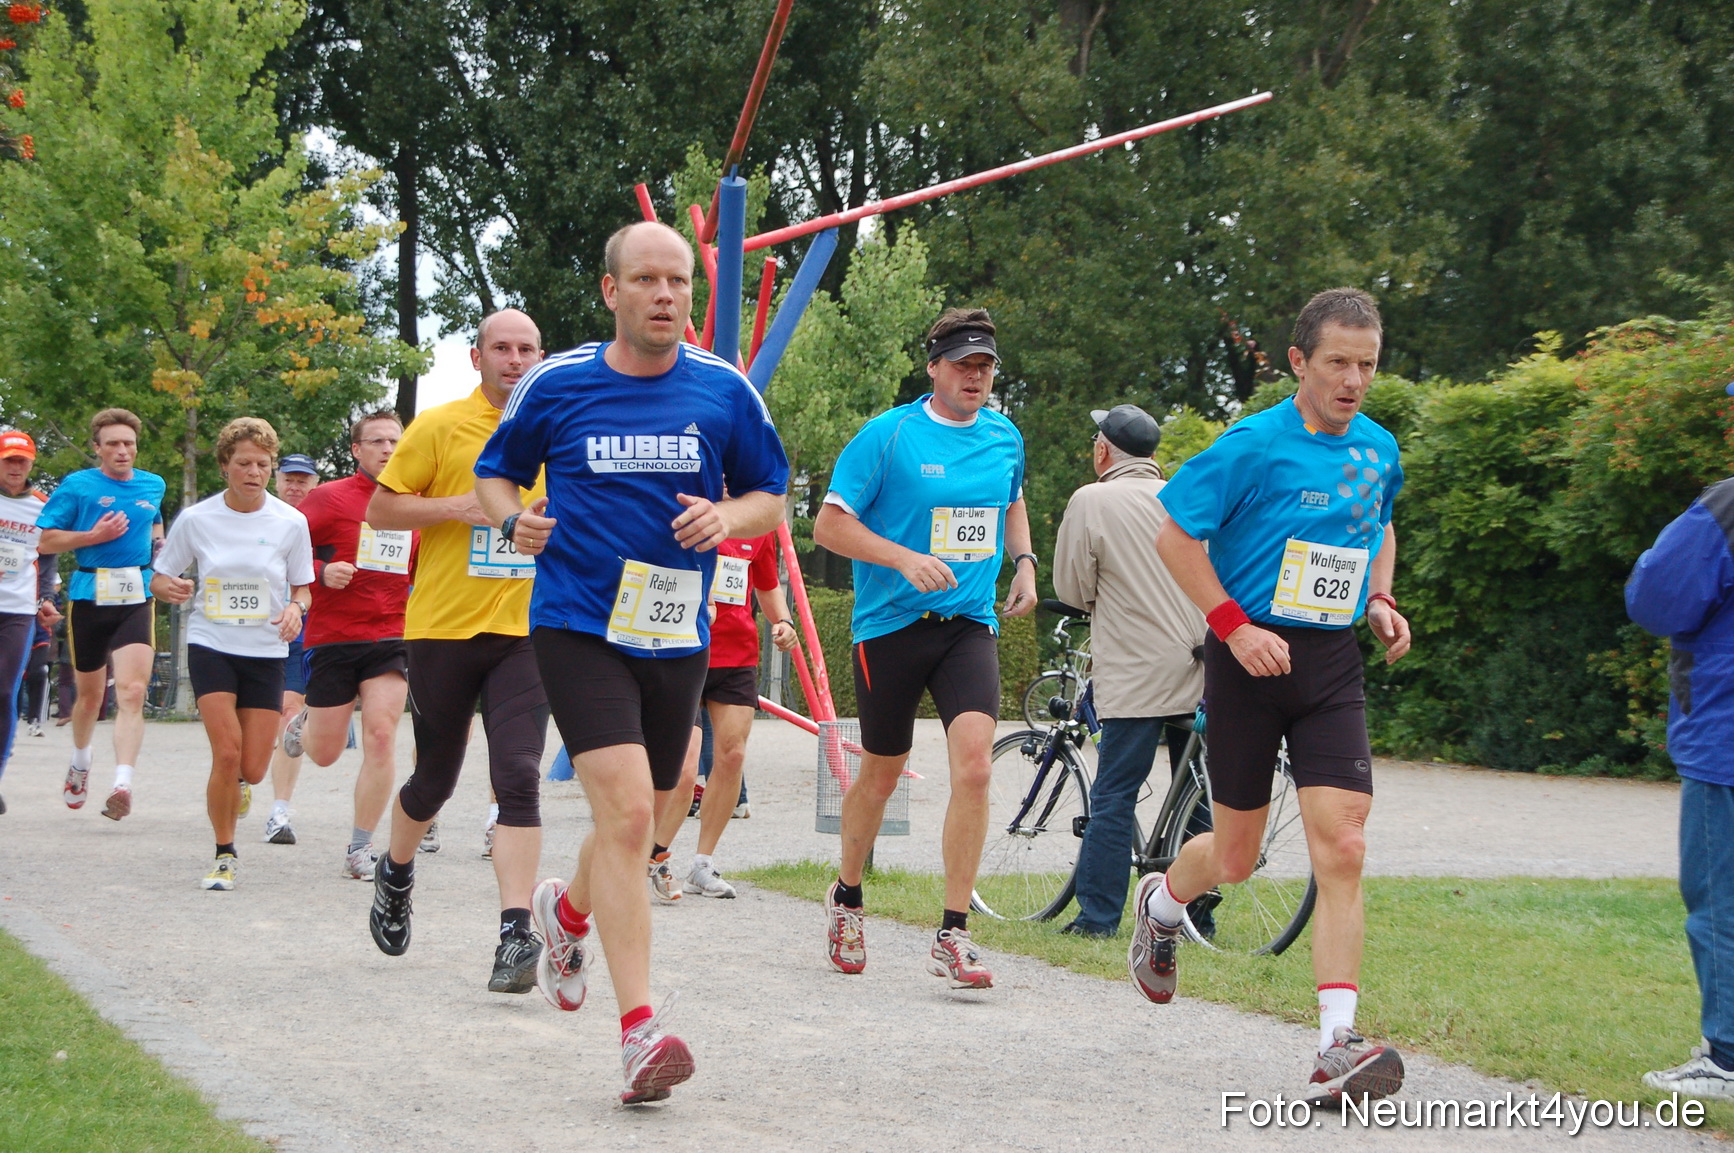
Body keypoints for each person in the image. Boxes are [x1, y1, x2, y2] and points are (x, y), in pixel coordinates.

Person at [475, 220, 788, 1104]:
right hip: (578, 626)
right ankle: (639, 1029)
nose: (665, 295)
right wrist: (512, 519)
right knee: (619, 812)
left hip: (676, 631)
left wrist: (729, 519)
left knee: (651, 818)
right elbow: (498, 472)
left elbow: (773, 492)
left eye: (679, 281)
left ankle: (563, 914)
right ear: (610, 291)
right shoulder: (558, 383)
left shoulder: (724, 392)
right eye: (646, 279)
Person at [1128, 288, 1410, 1105]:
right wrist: (1234, 625)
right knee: (1238, 857)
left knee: (1344, 843)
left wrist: (1384, 598)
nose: (1354, 380)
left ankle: (1336, 1044)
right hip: (1247, 659)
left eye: (1367, 364)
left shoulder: (1378, 448)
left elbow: (1378, 521)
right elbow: (1174, 534)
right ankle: (1163, 901)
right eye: (1338, 363)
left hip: (1329, 664)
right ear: (1298, 361)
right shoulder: (1251, 445)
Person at [812, 306, 1036, 989]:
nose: (976, 376)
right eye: (963, 364)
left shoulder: (1004, 436)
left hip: (967, 623)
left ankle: (954, 931)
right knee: (882, 771)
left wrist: (1024, 558)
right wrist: (904, 558)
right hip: (890, 626)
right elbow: (827, 526)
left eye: (986, 366)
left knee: (974, 767)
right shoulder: (890, 435)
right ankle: (847, 895)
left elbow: (1012, 497)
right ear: (933, 365)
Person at [363, 308, 551, 997]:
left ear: (540, 355)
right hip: (442, 628)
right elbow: (382, 512)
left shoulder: (557, 429)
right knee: (434, 777)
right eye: (500, 347)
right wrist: (461, 508)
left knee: (519, 775)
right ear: (477, 357)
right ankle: (396, 870)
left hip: (527, 630)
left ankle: (513, 931)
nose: (513, 358)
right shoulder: (440, 426)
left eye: (525, 347)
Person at [1051, 405, 1205, 938]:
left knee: (1115, 794)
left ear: (1102, 451)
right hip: (1202, 665)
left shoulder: (1092, 500)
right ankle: (1197, 910)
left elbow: (1072, 589)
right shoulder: (1182, 494)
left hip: (1137, 673)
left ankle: (1098, 918)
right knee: (1200, 790)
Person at [150, 418, 313, 889]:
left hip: (265, 650)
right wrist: (171, 587)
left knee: (253, 769)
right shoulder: (198, 519)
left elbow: (303, 586)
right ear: (225, 466)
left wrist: (296, 609)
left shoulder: (290, 521)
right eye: (244, 463)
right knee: (226, 753)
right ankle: (225, 853)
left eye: (263, 464)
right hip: (212, 644)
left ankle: (240, 786)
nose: (254, 472)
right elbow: (160, 577)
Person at [1628, 455, 1734, 1099]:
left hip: (1726, 738)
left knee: (1720, 898)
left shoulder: (1728, 506)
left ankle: (1726, 1056)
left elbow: (1658, 596)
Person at [280, 412, 415, 880]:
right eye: (376, 441)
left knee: (381, 734)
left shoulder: (416, 501)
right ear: (357, 450)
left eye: (395, 441)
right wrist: (321, 573)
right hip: (335, 637)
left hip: (393, 635)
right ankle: (306, 722)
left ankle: (361, 847)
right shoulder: (327, 498)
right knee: (325, 753)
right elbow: (284, 551)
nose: (387, 449)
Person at [650, 531, 798, 900]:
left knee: (732, 755)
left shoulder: (759, 525)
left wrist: (783, 621)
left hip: (737, 656)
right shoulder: (685, 509)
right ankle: (653, 855)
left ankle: (702, 863)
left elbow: (766, 585)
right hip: (682, 649)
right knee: (684, 769)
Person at [37, 409, 166, 821]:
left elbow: (155, 525)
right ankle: (80, 760)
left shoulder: (154, 484)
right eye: (112, 443)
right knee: (90, 697)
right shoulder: (78, 486)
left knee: (131, 692)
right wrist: (92, 537)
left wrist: (164, 564)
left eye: (128, 443)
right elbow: (45, 540)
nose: (122, 450)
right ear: (98, 448)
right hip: (90, 595)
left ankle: (122, 784)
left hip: (137, 595)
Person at [0, 430, 62, 814]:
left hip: (18, 610)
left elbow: (50, 554)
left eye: (22, 461)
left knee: (5, 692)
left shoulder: (42, 507)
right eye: (9, 460)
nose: (15, 467)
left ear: (32, 464)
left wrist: (47, 598)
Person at [262, 452, 319, 844]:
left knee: (290, 714)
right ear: (276, 480)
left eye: (304, 480)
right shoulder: (258, 515)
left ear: (315, 484)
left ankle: (280, 810)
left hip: (301, 630)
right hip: (250, 632)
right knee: (254, 721)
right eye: (289, 479)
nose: (296, 487)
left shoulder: (323, 518)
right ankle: (243, 774)